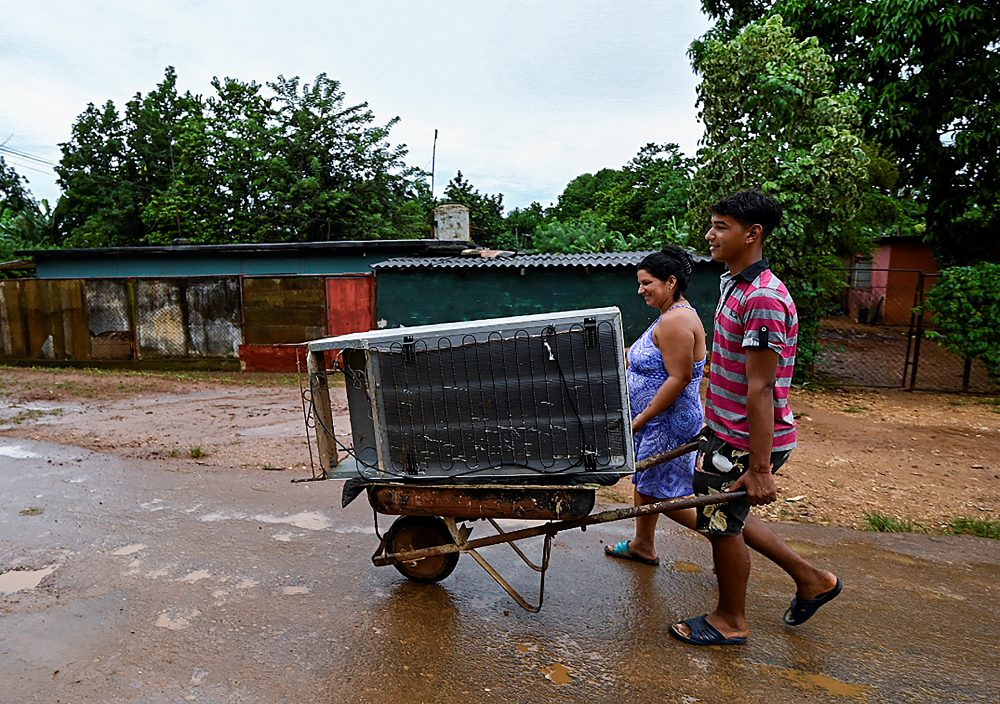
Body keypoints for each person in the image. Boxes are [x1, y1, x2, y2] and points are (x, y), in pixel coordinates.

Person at [669, 190, 841, 647]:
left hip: (745, 442)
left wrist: (760, 468)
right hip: (728, 431)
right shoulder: (736, 283)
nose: (710, 234)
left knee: (722, 527)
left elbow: (762, 387)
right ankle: (811, 578)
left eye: (721, 226)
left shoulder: (762, 298)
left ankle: (731, 621)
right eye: (712, 224)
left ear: (753, 233)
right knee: (725, 515)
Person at [604, 245, 707, 566]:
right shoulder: (670, 316)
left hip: (666, 423)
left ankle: (725, 537)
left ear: (670, 282)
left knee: (666, 496)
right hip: (657, 421)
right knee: (648, 486)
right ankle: (643, 544)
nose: (641, 290)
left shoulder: (676, 322)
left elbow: (679, 379)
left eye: (647, 283)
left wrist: (640, 419)